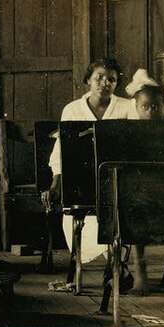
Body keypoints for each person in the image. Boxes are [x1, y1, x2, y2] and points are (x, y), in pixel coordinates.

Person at [41, 58, 136, 286]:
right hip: (82, 181)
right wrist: (55, 185)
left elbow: (135, 146)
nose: (105, 83)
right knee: (78, 212)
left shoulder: (127, 107)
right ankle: (114, 265)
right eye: (99, 78)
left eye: (111, 79)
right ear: (88, 81)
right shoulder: (73, 109)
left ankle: (115, 264)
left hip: (117, 181)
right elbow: (61, 152)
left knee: (121, 212)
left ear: (116, 84)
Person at [124, 69, 164, 297]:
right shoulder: (131, 133)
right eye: (145, 107)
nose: (151, 111)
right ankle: (139, 266)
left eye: (156, 106)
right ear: (137, 108)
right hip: (144, 194)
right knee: (134, 204)